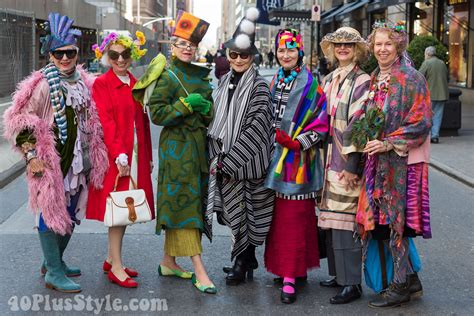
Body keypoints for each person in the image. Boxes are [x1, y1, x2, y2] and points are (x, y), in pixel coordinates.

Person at [3, 12, 108, 293]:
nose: (64, 58)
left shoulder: (84, 82)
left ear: (76, 53)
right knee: (50, 213)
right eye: (58, 53)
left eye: (69, 52)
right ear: (50, 55)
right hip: (50, 162)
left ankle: (54, 261)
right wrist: (32, 156)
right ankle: (53, 271)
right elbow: (22, 121)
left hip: (79, 161)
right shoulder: (42, 86)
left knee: (72, 214)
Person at [354, 21, 432, 308]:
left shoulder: (411, 78)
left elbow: (422, 121)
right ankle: (411, 280)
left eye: (388, 43)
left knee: (397, 224)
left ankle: (399, 286)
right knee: (383, 223)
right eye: (378, 44)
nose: (382, 49)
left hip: (401, 165)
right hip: (378, 163)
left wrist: (388, 142)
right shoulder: (375, 77)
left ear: (398, 45)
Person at [141, 10, 216, 294]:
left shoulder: (201, 75)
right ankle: (199, 269)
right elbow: (157, 114)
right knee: (184, 207)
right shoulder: (167, 75)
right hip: (175, 153)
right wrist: (185, 106)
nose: (187, 49)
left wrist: (207, 109)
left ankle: (168, 261)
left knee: (186, 204)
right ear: (171, 46)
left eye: (191, 45)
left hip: (197, 151)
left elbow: (210, 113)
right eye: (181, 44)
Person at [206, 7, 274, 286]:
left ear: (252, 57)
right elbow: (215, 121)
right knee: (235, 216)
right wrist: (217, 157)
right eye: (232, 54)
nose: (237, 59)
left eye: (243, 55)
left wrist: (231, 161)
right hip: (225, 160)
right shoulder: (223, 83)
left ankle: (243, 261)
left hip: (247, 164)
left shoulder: (259, 86)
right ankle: (243, 259)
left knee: (249, 214)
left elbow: (258, 129)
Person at [264, 29, 329, 304]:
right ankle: (286, 269)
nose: (286, 55)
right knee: (277, 219)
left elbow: (321, 121)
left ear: (300, 52)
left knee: (294, 217)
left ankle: (291, 275)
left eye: (291, 50)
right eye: (281, 50)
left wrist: (297, 143)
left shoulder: (312, 84)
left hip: (299, 162)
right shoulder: (273, 81)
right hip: (272, 161)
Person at [86, 31, 153, 288]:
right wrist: (119, 155)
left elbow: (143, 122)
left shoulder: (135, 82)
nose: (120, 59)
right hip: (119, 157)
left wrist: (146, 157)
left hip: (136, 154)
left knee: (126, 208)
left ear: (132, 55)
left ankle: (111, 257)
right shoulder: (102, 84)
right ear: (107, 57)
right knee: (119, 209)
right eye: (114, 55)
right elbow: (106, 121)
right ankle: (115, 266)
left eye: (125, 54)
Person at [318, 27, 371, 305]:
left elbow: (358, 124)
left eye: (348, 45)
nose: (342, 49)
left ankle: (352, 283)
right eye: (338, 45)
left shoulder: (362, 80)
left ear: (357, 50)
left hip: (344, 160)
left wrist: (352, 164)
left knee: (344, 221)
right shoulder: (329, 78)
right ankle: (338, 275)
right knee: (329, 218)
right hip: (326, 158)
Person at [419, 46, 449, 144]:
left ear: (427, 54)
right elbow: (447, 77)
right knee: (438, 116)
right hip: (442, 94)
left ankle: (427, 136)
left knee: (427, 115)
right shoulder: (442, 63)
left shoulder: (427, 63)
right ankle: (435, 136)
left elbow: (419, 77)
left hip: (429, 94)